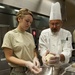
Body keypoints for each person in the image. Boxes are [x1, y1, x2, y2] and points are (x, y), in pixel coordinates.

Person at [1, 8, 42, 75]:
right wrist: (26, 63)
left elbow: (33, 50)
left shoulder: (30, 35)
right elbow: (9, 57)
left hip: (31, 69)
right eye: (27, 21)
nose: (29, 24)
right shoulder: (10, 35)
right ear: (19, 19)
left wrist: (35, 58)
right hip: (18, 71)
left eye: (30, 22)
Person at [38, 2, 73, 75]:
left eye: (57, 24)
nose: (54, 26)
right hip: (47, 68)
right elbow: (42, 48)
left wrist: (59, 57)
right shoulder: (44, 33)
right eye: (52, 24)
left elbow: (67, 50)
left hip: (62, 68)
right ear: (49, 23)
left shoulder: (67, 34)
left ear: (61, 23)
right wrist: (44, 56)